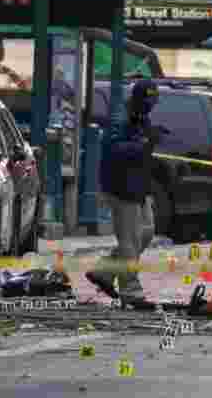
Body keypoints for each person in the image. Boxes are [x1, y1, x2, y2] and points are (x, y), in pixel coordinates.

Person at [86, 80, 160, 310]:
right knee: (129, 241)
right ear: (138, 99)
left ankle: (105, 271)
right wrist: (144, 144)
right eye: (147, 101)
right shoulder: (120, 118)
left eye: (153, 102)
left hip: (139, 186)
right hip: (120, 187)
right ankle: (131, 291)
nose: (150, 106)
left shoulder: (142, 118)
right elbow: (114, 149)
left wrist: (150, 140)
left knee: (146, 233)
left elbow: (142, 150)